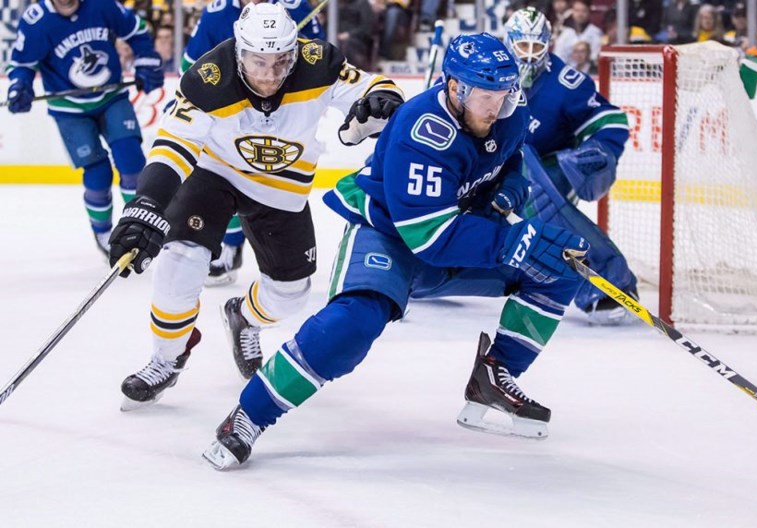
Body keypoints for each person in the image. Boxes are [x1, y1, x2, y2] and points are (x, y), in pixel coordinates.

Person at [201, 33, 590, 470]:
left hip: (456, 232)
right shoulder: (420, 130)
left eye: (503, 95)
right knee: (354, 322)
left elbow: (509, 161)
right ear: (454, 87)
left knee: (559, 266)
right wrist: (513, 242)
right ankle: (247, 417)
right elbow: (429, 237)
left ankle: (495, 377)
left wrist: (509, 195)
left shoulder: (509, 114)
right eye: (485, 96)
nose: (496, 108)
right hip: (389, 235)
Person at [108, 2, 403, 410]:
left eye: (280, 61)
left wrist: (382, 99)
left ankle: (244, 316)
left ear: (295, 52)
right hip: (216, 174)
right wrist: (146, 204)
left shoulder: (319, 62)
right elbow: (173, 146)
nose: (269, 74)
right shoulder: (208, 78)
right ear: (238, 51)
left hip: (281, 187)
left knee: (291, 295)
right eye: (258, 61)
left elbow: (373, 86)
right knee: (179, 262)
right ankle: (166, 358)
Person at [496, 7, 635, 325]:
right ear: (509, 43)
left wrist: (599, 151)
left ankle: (606, 284)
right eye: (523, 47)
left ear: (548, 44)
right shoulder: (489, 73)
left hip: (542, 177)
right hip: (484, 168)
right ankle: (409, 269)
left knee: (533, 184)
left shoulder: (566, 83)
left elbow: (610, 120)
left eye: (537, 47)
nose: (530, 56)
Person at [181, 0, 327, 286]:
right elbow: (191, 65)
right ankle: (232, 247)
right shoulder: (217, 13)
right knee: (229, 176)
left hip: (283, 113)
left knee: (274, 186)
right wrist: (183, 104)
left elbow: (318, 59)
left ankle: (278, 264)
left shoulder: (294, 7)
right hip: (230, 110)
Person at [5, 0, 164, 257]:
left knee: (132, 161)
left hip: (111, 96)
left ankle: (140, 224)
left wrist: (145, 60)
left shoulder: (100, 4)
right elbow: (22, 64)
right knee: (98, 173)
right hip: (69, 109)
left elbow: (136, 29)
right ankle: (103, 231)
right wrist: (19, 87)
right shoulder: (36, 21)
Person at [553, 0, 602, 64]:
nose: (580, 14)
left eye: (583, 11)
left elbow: (595, 59)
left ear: (589, 12)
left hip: (588, 72)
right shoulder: (565, 33)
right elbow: (558, 56)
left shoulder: (596, 33)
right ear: (572, 12)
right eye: (577, 10)